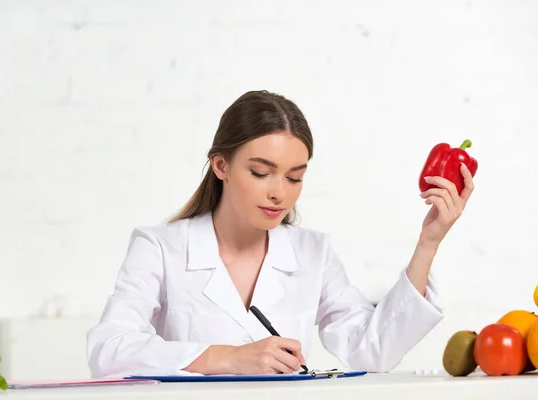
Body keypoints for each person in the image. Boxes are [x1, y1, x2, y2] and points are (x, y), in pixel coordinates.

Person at [86, 90, 475, 378]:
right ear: (221, 165)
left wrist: (429, 242)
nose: (279, 193)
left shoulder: (313, 253)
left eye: (295, 177)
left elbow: (372, 351)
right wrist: (226, 357)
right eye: (260, 173)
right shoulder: (160, 247)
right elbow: (108, 350)